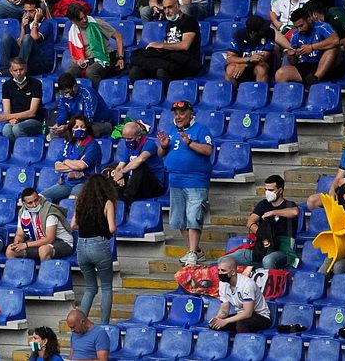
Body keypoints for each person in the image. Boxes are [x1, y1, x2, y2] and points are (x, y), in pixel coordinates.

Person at [159, 100, 214, 265]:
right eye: (175, 113)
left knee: (193, 217)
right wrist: (163, 146)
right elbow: (161, 154)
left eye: (182, 113)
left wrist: (189, 143)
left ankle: (191, 252)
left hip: (196, 181)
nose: (178, 116)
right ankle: (195, 251)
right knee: (180, 219)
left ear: (191, 113)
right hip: (175, 181)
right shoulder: (172, 130)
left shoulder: (201, 129)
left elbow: (208, 150)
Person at [223, 175, 300, 269]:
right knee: (225, 260)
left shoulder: (289, 204)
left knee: (268, 260)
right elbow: (250, 222)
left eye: (271, 190)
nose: (267, 192)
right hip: (263, 247)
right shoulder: (263, 204)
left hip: (284, 250)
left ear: (280, 191)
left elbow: (295, 212)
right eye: (266, 189)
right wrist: (263, 234)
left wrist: (273, 212)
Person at [69, 175, 117, 324]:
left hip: (82, 246)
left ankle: (78, 324)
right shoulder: (107, 202)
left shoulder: (80, 202)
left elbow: (73, 225)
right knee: (107, 287)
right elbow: (112, 228)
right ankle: (104, 324)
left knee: (90, 288)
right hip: (99, 244)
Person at [129, 0, 203, 83]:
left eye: (170, 7)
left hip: (186, 62)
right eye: (164, 8)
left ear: (178, 6)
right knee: (136, 71)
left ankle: (167, 96)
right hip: (171, 59)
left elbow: (184, 45)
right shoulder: (169, 24)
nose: (167, 11)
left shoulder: (189, 21)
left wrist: (161, 45)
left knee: (162, 71)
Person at [275, 6, 344, 86]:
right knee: (280, 74)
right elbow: (293, 62)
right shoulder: (295, 34)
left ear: (309, 20)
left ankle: (315, 79)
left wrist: (312, 47)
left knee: (332, 48)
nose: (299, 29)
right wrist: (292, 53)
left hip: (329, 67)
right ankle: (289, 97)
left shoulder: (322, 26)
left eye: (301, 25)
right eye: (297, 27)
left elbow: (335, 40)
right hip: (309, 66)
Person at [61, 3, 124, 89]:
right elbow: (74, 56)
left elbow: (118, 36)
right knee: (68, 74)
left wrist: (120, 58)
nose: (84, 20)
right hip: (86, 61)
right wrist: (77, 61)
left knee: (91, 71)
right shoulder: (72, 32)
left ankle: (98, 96)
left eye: (85, 17)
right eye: (80, 19)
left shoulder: (97, 23)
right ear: (73, 21)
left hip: (105, 58)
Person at [43, 115, 103, 202]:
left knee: (71, 202)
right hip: (67, 183)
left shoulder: (93, 145)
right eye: (76, 127)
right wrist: (75, 164)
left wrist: (66, 161)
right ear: (71, 129)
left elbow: (81, 166)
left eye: (82, 127)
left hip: (85, 182)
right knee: (40, 198)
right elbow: (57, 167)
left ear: (87, 128)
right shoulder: (69, 143)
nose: (79, 129)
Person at [7, 187, 75, 260]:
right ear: (24, 203)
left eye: (36, 200)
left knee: (44, 250)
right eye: (30, 203)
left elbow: (50, 239)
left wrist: (26, 245)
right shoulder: (22, 212)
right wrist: (17, 243)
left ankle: (46, 271)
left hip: (62, 243)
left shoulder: (49, 211)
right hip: (38, 243)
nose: (34, 205)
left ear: (39, 198)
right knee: (10, 250)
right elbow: (20, 234)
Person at [109, 120, 168, 205]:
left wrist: (122, 172)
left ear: (139, 136)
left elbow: (140, 160)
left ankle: (127, 199)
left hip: (153, 186)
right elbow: (121, 165)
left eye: (130, 138)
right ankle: (115, 197)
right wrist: (118, 174)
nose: (127, 141)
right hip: (135, 183)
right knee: (111, 169)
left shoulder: (149, 144)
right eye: (125, 138)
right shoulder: (127, 146)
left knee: (139, 166)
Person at [210, 256, 272, 332]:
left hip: (260, 316)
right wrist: (218, 318)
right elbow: (224, 311)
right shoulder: (223, 284)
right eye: (218, 270)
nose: (220, 273)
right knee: (215, 326)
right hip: (241, 315)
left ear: (233, 272)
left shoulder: (247, 284)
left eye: (223, 271)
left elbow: (247, 313)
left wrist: (225, 321)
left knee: (241, 326)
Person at [0, 0, 55, 77]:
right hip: (28, 62)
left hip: (42, 63)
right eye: (26, 11)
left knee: (28, 37)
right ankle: (4, 70)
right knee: (6, 38)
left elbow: (33, 38)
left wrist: (35, 21)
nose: (28, 14)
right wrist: (23, 27)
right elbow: (20, 44)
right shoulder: (26, 22)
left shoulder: (47, 24)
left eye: (31, 11)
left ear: (39, 10)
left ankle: (19, 69)